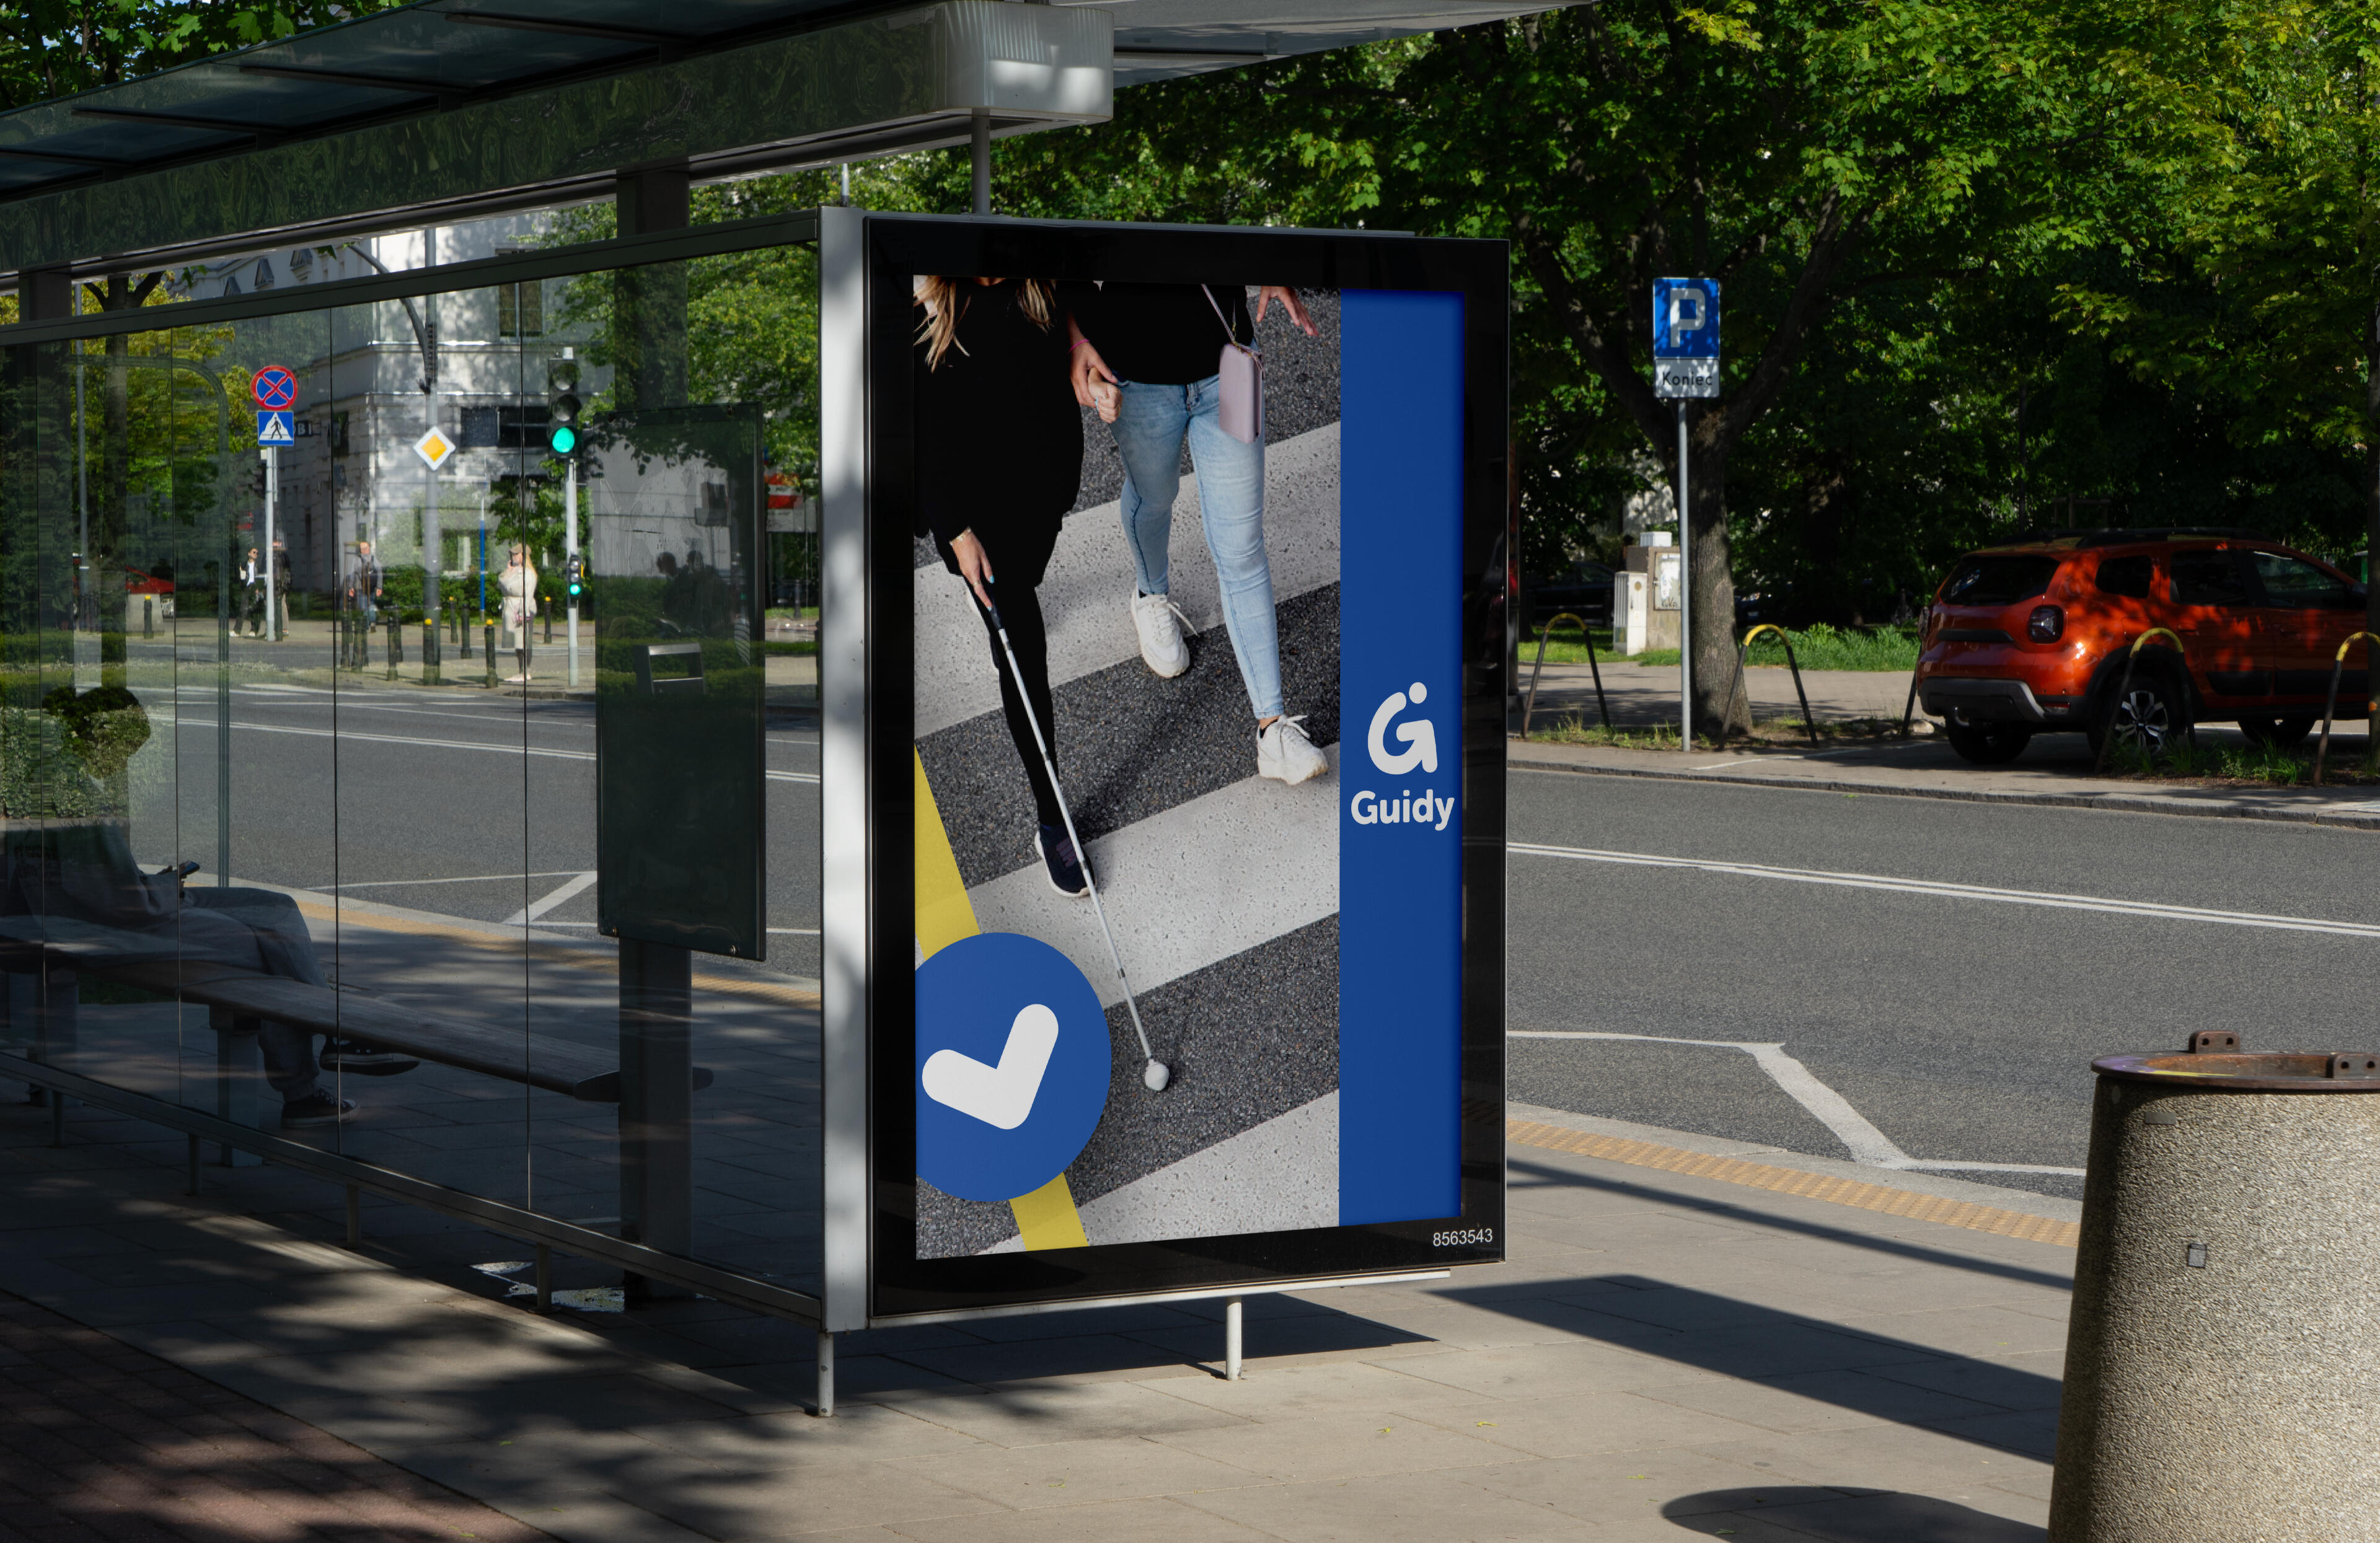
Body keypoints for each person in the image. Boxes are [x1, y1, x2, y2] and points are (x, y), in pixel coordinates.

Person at [1069, 283, 1329, 786]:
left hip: (1228, 362)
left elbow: (1245, 205)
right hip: (1135, 379)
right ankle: (1150, 592)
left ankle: (1273, 728)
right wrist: (1076, 341)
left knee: (1241, 546)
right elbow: (1053, 258)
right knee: (1154, 496)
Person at [915, 273, 1090, 897]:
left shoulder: (1040, 286)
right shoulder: (928, 319)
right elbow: (919, 439)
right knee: (1022, 652)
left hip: (1040, 494)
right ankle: (1053, 816)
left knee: (1030, 585)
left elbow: (1078, 311)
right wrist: (957, 531)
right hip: (979, 521)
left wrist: (1078, 347)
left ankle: (1012, 602)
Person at [498, 543, 538, 680]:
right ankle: (521, 670)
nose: (513, 557)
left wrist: (523, 612)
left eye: (516, 554)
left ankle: (525, 671)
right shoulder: (514, 571)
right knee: (517, 642)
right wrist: (508, 571)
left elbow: (528, 594)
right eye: (512, 555)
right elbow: (502, 583)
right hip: (512, 606)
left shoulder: (528, 573)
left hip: (522, 607)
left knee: (523, 641)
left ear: (523, 556)